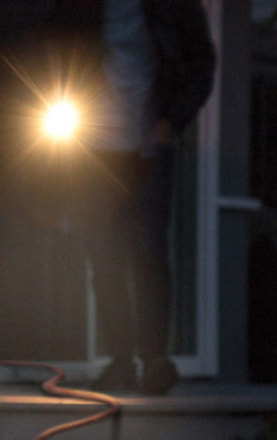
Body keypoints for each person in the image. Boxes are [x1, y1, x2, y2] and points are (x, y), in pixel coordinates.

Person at [51, 0, 216, 395]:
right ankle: (121, 362)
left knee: (149, 251)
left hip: (147, 145)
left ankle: (155, 359)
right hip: (92, 147)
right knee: (103, 254)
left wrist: (172, 121)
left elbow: (202, 64)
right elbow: (51, 48)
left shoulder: (173, 8)